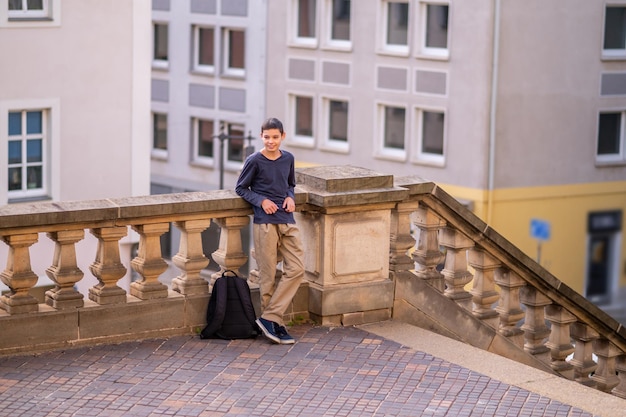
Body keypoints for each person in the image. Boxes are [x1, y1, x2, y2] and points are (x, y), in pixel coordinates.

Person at [235, 117, 305, 345]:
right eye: (267, 137)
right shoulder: (254, 160)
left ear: (283, 136)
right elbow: (241, 188)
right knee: (268, 276)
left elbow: (290, 184)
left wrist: (290, 197)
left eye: (275, 137)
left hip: (287, 219)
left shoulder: (289, 159)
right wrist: (262, 200)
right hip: (265, 222)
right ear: (261, 137)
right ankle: (275, 325)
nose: (271, 141)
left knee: (296, 269)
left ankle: (268, 318)